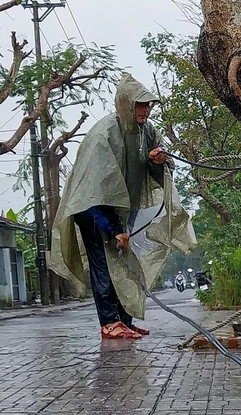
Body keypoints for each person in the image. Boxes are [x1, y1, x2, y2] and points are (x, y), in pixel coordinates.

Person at [49, 73, 195, 340]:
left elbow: (158, 170)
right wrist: (113, 228)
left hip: (122, 211)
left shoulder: (146, 132)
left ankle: (124, 320)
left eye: (148, 105)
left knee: (126, 263)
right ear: (125, 104)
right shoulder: (103, 135)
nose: (145, 110)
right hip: (93, 212)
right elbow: (90, 193)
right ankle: (109, 323)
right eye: (140, 105)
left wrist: (157, 161)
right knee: (104, 264)